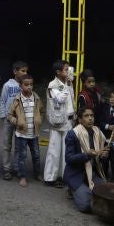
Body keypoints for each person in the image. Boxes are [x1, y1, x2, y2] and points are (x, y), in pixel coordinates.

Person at [64, 106, 109, 213]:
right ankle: (73, 189)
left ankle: (86, 191)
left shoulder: (97, 132)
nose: (90, 118)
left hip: (92, 173)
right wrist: (86, 155)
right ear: (80, 120)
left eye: (92, 115)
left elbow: (101, 153)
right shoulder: (72, 134)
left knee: (108, 193)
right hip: (76, 174)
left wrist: (103, 155)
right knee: (86, 205)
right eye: (86, 116)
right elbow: (69, 159)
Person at [8, 74, 44, 187]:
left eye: (31, 84)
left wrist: (39, 120)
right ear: (20, 85)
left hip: (34, 134)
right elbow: (10, 115)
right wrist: (17, 121)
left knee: (37, 155)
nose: (29, 87)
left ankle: (37, 174)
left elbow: (42, 111)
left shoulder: (36, 98)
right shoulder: (17, 99)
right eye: (26, 84)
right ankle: (22, 176)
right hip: (21, 134)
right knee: (21, 156)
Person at [43, 60, 74, 189]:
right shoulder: (53, 84)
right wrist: (67, 85)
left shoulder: (67, 83)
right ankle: (50, 177)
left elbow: (71, 99)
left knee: (65, 150)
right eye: (66, 70)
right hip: (57, 121)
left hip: (68, 120)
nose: (68, 72)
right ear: (58, 72)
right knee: (54, 150)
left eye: (68, 69)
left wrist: (69, 83)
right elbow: (60, 99)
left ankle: (63, 176)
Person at [0, 61, 27, 181]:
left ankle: (17, 168)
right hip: (9, 119)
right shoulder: (7, 85)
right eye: (22, 71)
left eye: (26, 71)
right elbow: (3, 101)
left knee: (19, 145)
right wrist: (4, 116)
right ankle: (6, 169)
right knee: (7, 144)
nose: (25, 73)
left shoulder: (26, 85)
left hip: (21, 120)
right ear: (15, 71)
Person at [95, 89, 114, 181]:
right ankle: (103, 177)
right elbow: (99, 122)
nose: (112, 99)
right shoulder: (104, 109)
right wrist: (107, 126)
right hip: (104, 140)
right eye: (111, 97)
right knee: (104, 160)